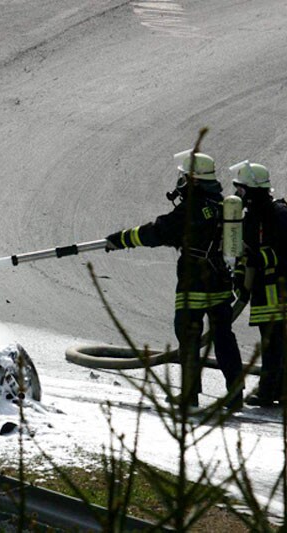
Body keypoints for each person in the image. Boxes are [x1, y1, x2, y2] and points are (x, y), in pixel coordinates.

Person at [105, 150, 244, 410]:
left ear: (192, 180)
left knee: (188, 336)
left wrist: (121, 239)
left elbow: (158, 232)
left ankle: (190, 394)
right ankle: (235, 394)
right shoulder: (221, 206)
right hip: (221, 281)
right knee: (224, 337)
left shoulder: (191, 208)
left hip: (194, 281)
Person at [229, 161, 287, 407]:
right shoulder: (253, 217)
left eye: (241, 189)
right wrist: (240, 277)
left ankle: (271, 389)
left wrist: (258, 259)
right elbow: (245, 251)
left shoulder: (280, 215)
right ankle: (279, 388)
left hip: (278, 287)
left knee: (273, 339)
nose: (238, 194)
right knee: (273, 337)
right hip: (263, 286)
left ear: (253, 190)